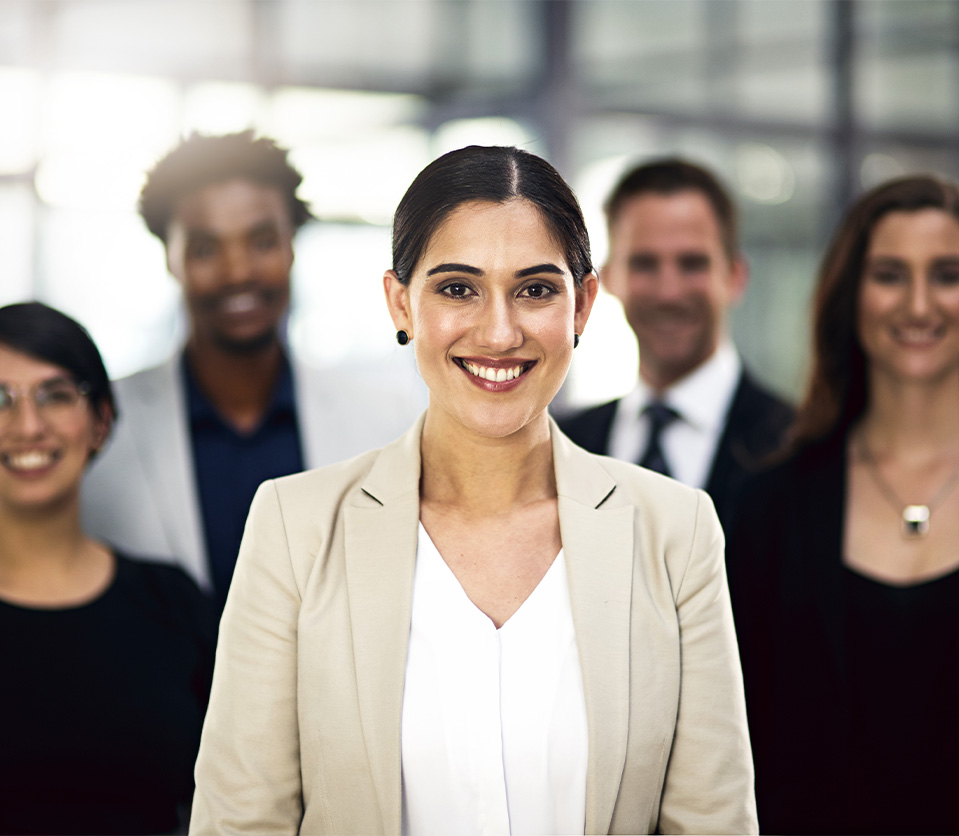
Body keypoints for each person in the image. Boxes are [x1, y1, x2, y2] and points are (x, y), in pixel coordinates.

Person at [189, 145, 757, 835]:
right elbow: (241, 820)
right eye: (457, 288)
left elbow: (710, 821)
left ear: (582, 304)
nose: (498, 331)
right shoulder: (295, 527)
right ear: (401, 301)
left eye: (535, 289)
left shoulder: (675, 531)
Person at [82, 130, 422, 612]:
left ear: (291, 246)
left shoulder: (385, 426)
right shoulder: (101, 430)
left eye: (262, 242)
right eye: (205, 249)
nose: (238, 271)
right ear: (169, 258)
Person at [727, 175, 959, 834]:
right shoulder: (771, 506)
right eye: (889, 274)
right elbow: (735, 745)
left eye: (946, 274)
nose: (918, 304)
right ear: (849, 294)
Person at [0, 302, 216, 835]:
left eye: (55, 395)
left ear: (100, 421)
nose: (28, 425)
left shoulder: (172, 603)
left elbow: (243, 794)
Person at [559, 158, 793, 532]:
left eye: (692, 264)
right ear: (610, 277)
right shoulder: (561, 449)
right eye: (645, 264)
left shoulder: (801, 448)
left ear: (735, 276)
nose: (669, 292)